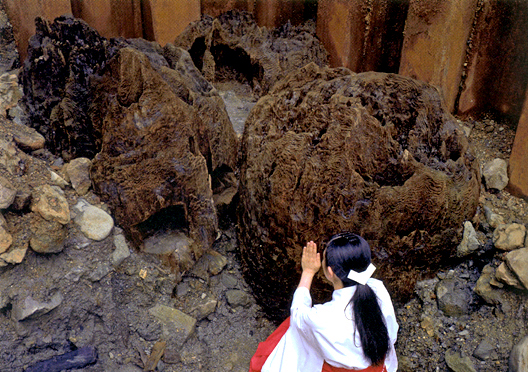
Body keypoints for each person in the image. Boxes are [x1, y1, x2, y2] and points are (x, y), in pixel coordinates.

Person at [249, 232, 398, 372]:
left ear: (330, 272)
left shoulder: (321, 318)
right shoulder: (378, 289)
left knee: (293, 329)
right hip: (378, 365)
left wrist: (308, 272)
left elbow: (298, 314)